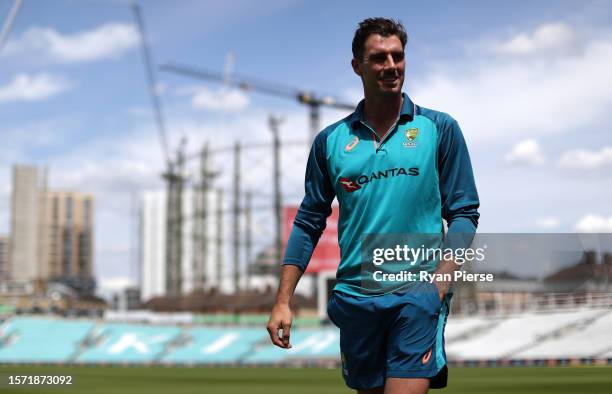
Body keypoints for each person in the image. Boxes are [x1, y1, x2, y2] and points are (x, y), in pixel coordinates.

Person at [267, 17, 479, 394]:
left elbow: (463, 212)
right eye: (379, 58)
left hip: (417, 293)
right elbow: (308, 221)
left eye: (397, 56)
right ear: (357, 66)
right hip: (356, 296)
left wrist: (439, 284)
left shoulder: (439, 128)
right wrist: (283, 300)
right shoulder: (330, 141)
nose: (391, 66)